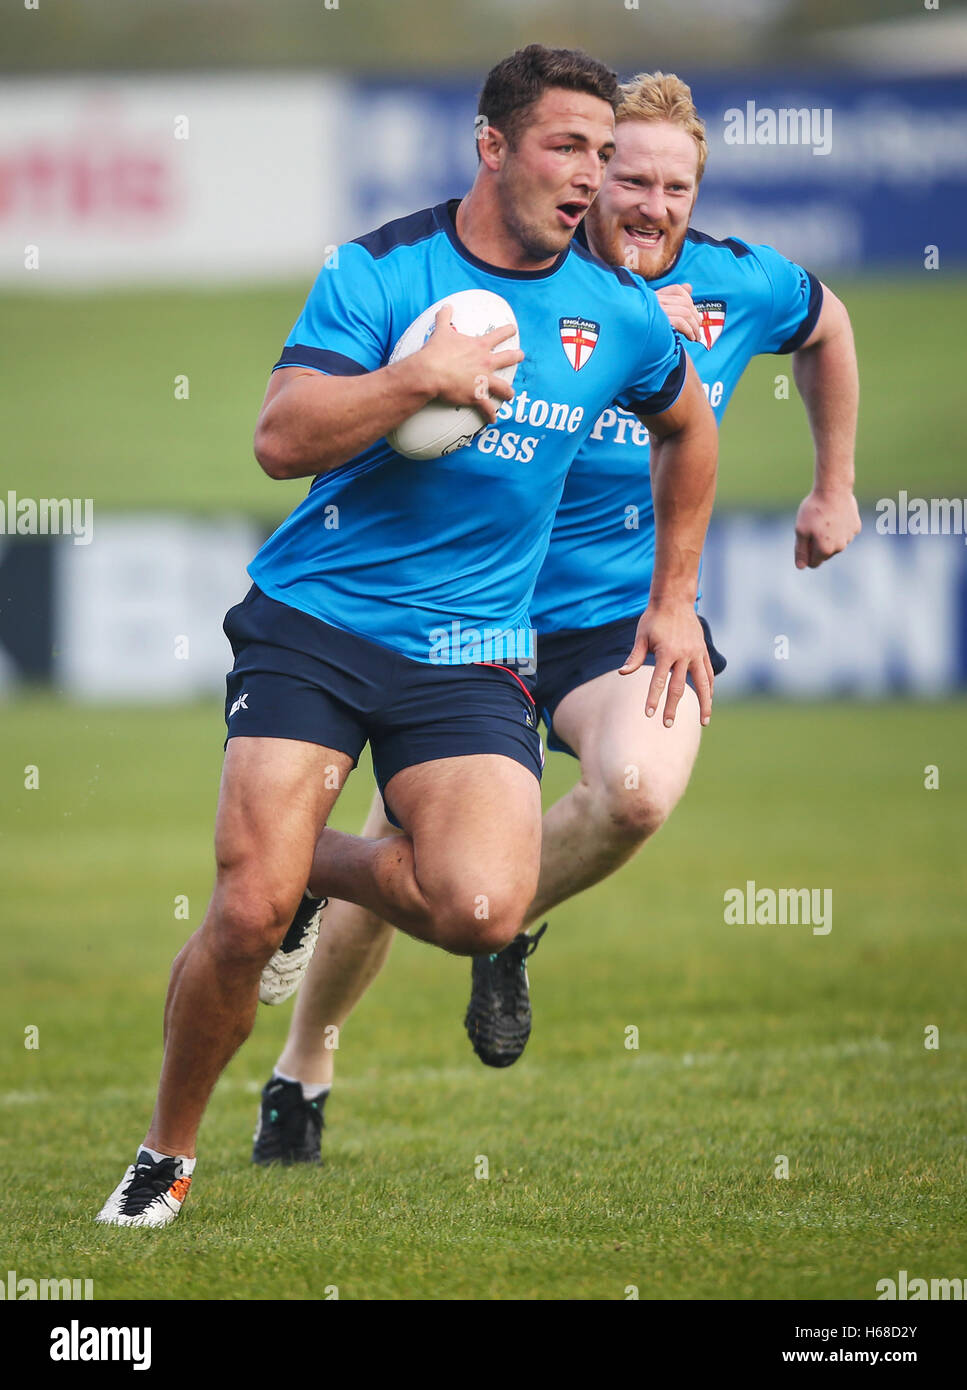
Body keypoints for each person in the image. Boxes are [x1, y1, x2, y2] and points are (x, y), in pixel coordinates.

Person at [95, 47, 719, 1225]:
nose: (589, 176)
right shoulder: (380, 268)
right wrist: (413, 380)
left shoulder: (620, 317)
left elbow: (689, 428)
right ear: (491, 146)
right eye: (564, 147)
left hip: (476, 645)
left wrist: (672, 595)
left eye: (600, 151)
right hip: (319, 621)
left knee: (483, 908)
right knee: (240, 916)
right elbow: (280, 436)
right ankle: (166, 1153)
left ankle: (299, 866)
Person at [249, 70, 859, 1167]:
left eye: (673, 186)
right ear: (579, 174)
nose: (647, 203)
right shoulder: (530, 280)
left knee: (634, 792)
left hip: (609, 621)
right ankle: (302, 1070)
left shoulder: (732, 285)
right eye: (624, 175)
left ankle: (506, 930)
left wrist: (834, 484)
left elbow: (828, 325)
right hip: (467, 615)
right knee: (402, 866)